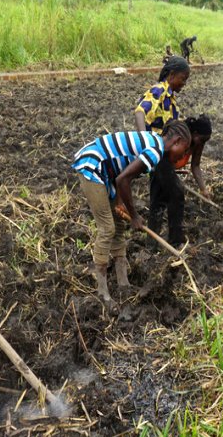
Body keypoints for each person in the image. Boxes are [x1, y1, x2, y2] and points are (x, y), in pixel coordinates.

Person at [72, 121, 191, 310]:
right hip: (93, 166)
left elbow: (122, 171)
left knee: (118, 225)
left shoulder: (154, 142)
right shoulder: (155, 151)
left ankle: (123, 283)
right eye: (184, 151)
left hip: (108, 171)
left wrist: (120, 203)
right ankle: (102, 292)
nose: (182, 157)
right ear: (177, 141)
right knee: (107, 229)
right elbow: (123, 179)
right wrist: (134, 216)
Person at [134, 57, 192, 245]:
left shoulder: (171, 98)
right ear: (172, 74)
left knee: (158, 198)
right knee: (176, 193)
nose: (184, 83)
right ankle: (176, 240)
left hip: (164, 155)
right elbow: (140, 112)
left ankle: (152, 244)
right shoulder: (158, 90)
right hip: (156, 152)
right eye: (183, 78)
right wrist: (144, 140)